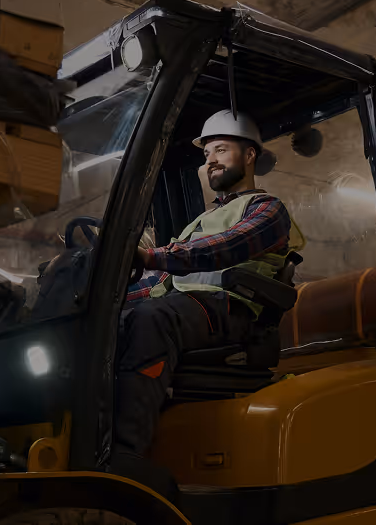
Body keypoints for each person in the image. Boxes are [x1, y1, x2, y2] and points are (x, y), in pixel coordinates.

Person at [111, 110, 305, 487]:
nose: (211, 159)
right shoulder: (200, 220)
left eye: (221, 149)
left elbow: (226, 248)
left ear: (249, 155)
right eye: (206, 153)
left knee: (152, 319)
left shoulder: (266, 209)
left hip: (234, 311)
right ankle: (96, 442)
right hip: (195, 308)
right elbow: (161, 282)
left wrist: (152, 255)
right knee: (114, 322)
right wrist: (106, 298)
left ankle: (125, 456)